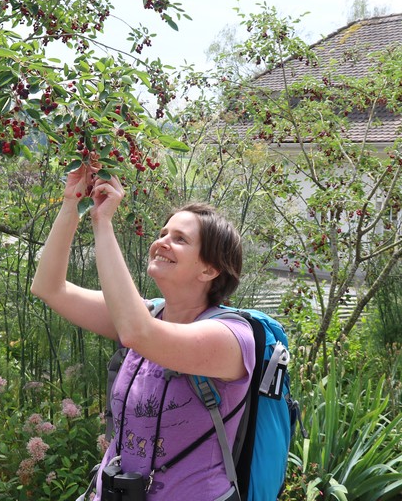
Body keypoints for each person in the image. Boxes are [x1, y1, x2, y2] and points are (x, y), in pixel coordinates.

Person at [30, 163, 256, 501]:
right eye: (163, 234)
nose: (162, 242)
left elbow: (138, 333)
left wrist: (103, 222)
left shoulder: (231, 338)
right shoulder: (147, 315)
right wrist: (71, 203)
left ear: (210, 269)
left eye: (180, 239)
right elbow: (50, 288)